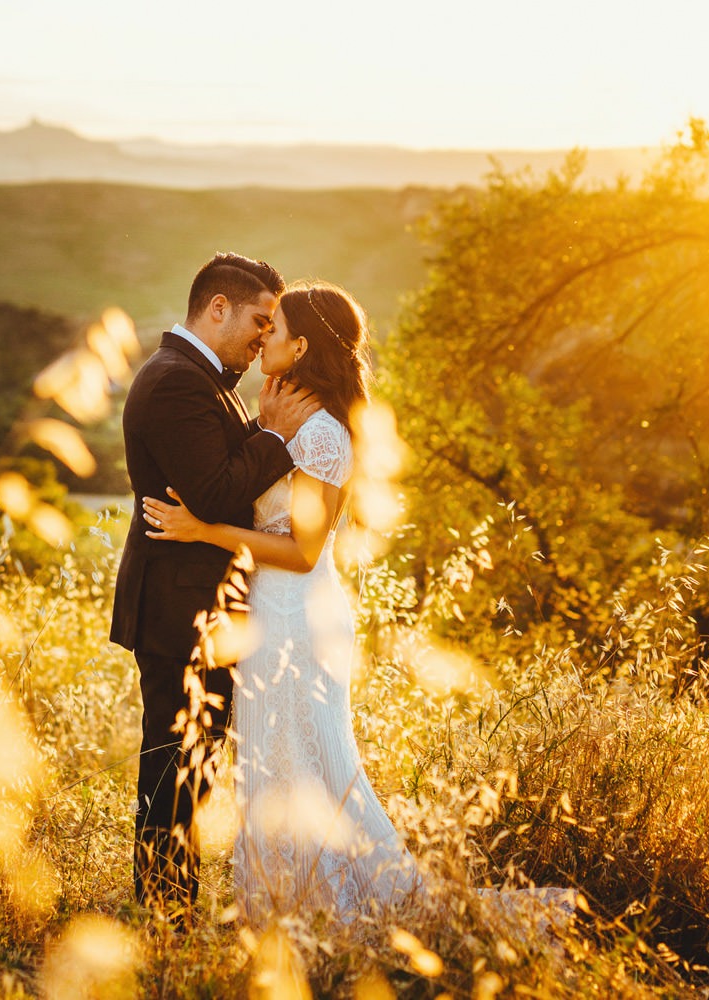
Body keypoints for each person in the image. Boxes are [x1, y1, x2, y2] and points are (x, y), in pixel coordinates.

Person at [141, 281, 575, 938]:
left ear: (303, 345)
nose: (263, 339)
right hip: (269, 617)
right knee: (280, 770)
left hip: (294, 617)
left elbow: (303, 549)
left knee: (306, 769)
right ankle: (287, 916)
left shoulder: (322, 433)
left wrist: (205, 532)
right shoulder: (290, 414)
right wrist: (263, 428)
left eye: (274, 328)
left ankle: (331, 917)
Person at [111, 252, 321, 924]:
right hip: (181, 610)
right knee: (174, 771)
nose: (266, 336)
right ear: (218, 307)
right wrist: (274, 437)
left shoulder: (202, 378)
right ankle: (165, 919)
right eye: (260, 321)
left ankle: (170, 911)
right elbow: (215, 492)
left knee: (189, 769)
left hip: (199, 606)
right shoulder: (177, 382)